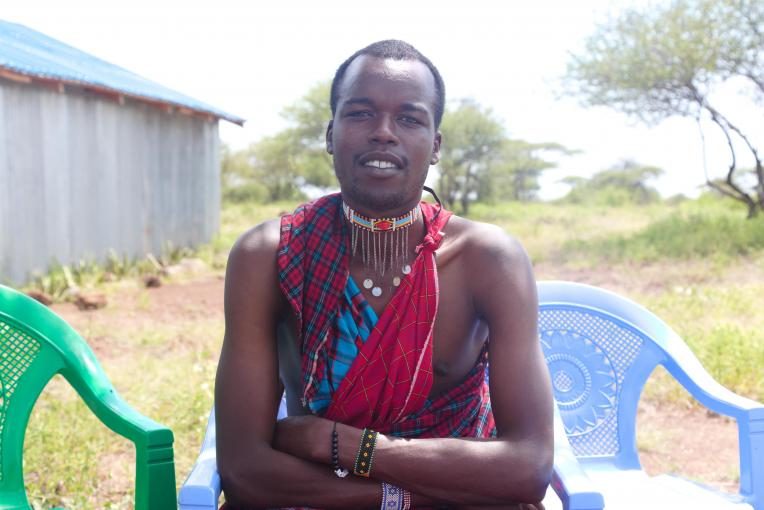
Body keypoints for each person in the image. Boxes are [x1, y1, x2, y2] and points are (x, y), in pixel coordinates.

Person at [215, 40, 553, 510]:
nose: (383, 133)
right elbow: (244, 470)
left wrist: (349, 446)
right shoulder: (268, 256)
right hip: (390, 499)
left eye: (410, 118)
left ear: (434, 146)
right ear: (331, 134)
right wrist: (412, 498)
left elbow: (528, 466)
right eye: (360, 114)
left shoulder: (488, 260)